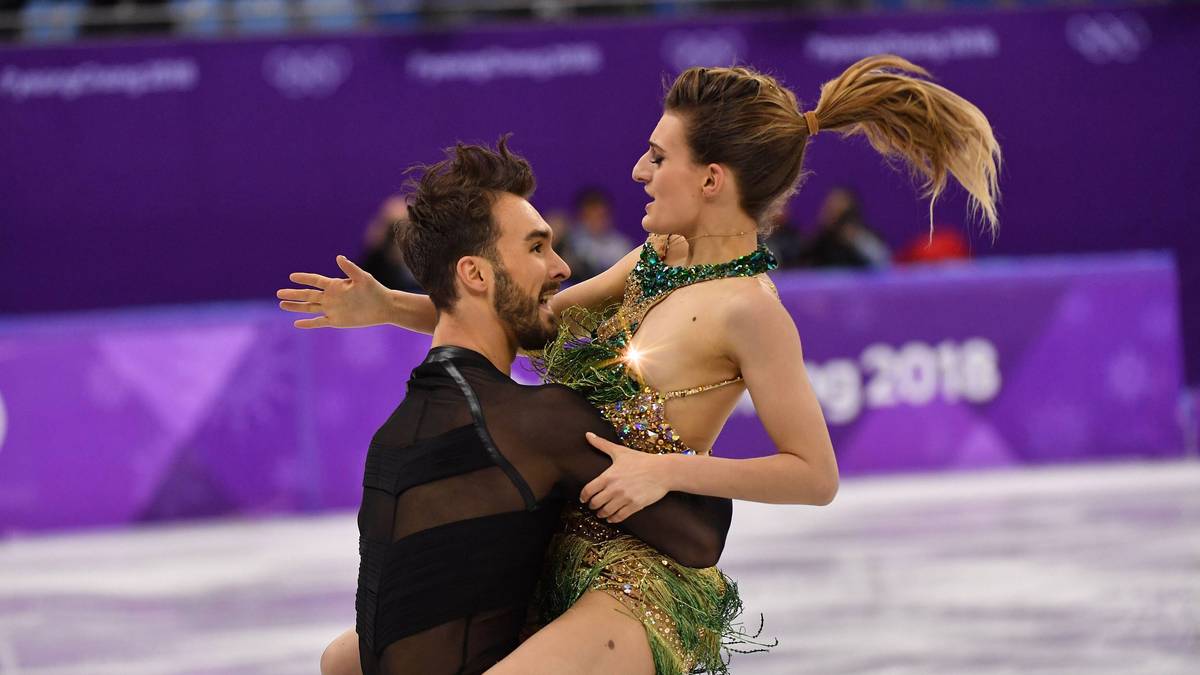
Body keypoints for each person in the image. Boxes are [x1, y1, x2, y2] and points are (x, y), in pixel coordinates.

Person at [279, 55, 1000, 674]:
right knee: (349, 661)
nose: (639, 170)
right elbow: (528, 317)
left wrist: (665, 470)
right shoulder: (655, 261)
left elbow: (814, 474)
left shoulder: (751, 310)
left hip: (638, 576)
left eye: (659, 156)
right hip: (549, 549)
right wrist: (392, 307)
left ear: (712, 179)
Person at [318, 138, 732, 675]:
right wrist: (660, 428)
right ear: (476, 274)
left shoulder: (393, 438)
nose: (561, 268)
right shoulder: (531, 422)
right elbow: (699, 538)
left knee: (344, 657)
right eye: (537, 248)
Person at [799, 186, 892, 269]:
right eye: (830, 208)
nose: (833, 213)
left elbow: (883, 261)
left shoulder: (863, 237)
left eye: (839, 209)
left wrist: (856, 238)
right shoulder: (819, 241)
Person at [567, 186, 633, 279]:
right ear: (580, 216)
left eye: (600, 216)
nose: (596, 222)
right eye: (590, 217)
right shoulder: (569, 242)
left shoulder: (621, 246)